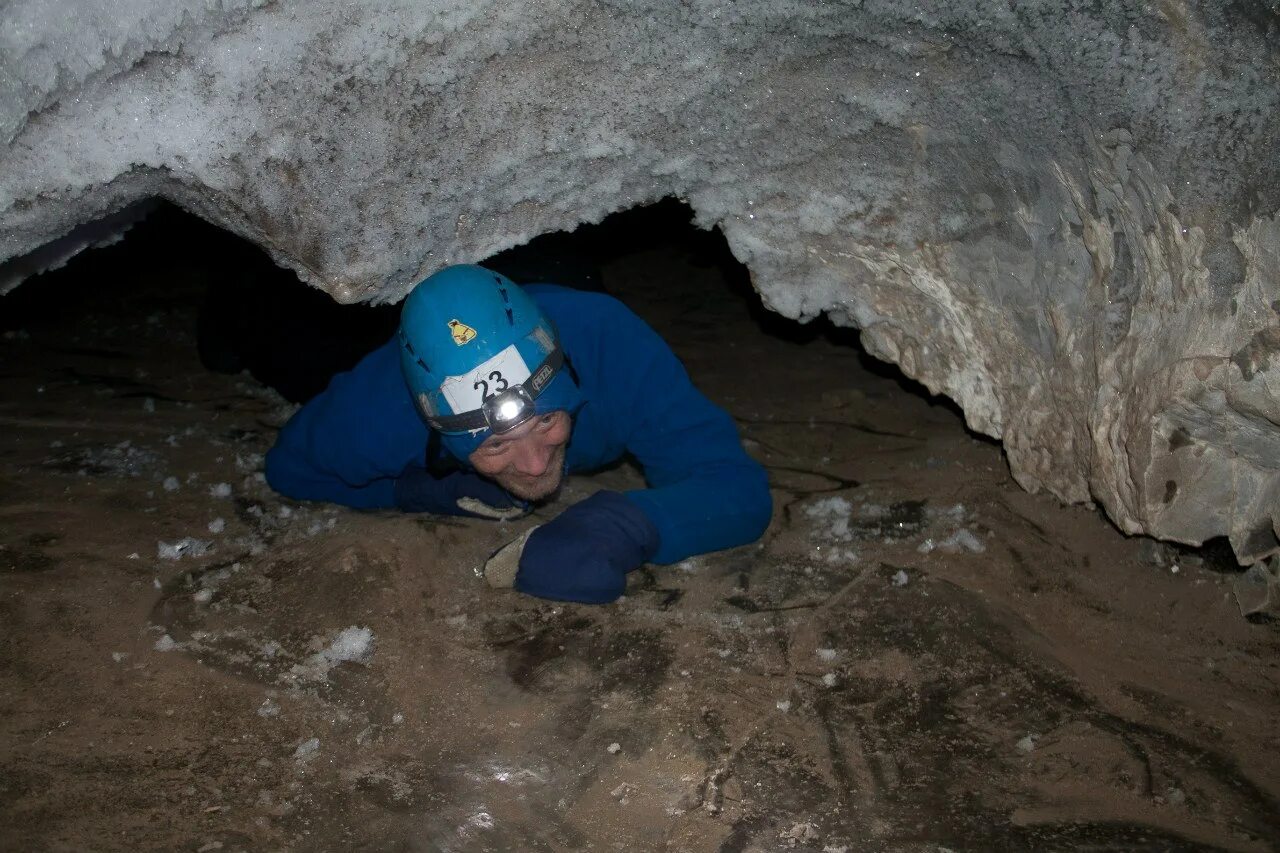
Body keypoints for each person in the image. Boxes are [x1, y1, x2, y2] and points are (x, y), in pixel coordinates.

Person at [264, 264, 772, 603]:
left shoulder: (610, 346)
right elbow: (289, 469)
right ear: (441, 435)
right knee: (290, 350)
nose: (533, 464)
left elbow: (737, 486)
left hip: (558, 276)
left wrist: (625, 524)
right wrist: (418, 489)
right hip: (340, 341)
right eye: (495, 444)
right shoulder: (378, 413)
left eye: (547, 421)